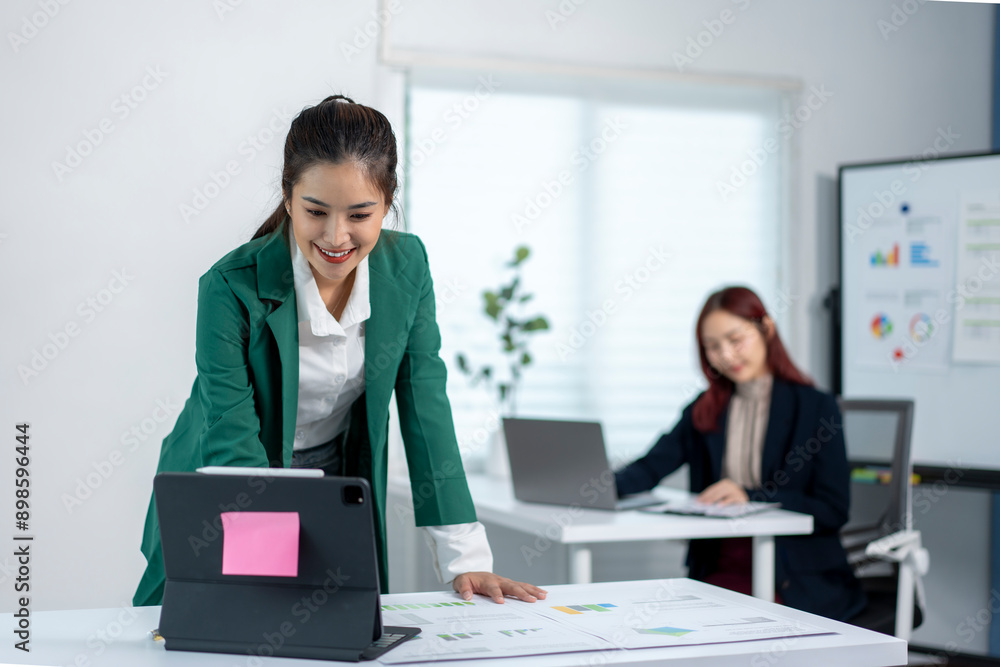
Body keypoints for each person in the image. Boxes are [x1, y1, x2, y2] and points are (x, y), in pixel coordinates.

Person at [134, 95, 545, 607]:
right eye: (315, 211)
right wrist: (262, 569)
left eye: (359, 213)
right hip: (226, 474)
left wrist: (466, 557)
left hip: (331, 474)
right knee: (206, 625)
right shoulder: (228, 287)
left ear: (388, 201)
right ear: (288, 198)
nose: (335, 236)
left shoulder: (407, 267)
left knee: (339, 622)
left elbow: (425, 408)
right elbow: (232, 435)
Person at [614, 286, 866, 621]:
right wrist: (593, 486)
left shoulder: (815, 407)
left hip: (794, 575)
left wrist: (749, 496)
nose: (726, 356)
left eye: (736, 340)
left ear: (766, 328)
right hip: (718, 568)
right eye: (713, 346)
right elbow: (649, 468)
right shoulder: (705, 409)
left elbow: (833, 509)